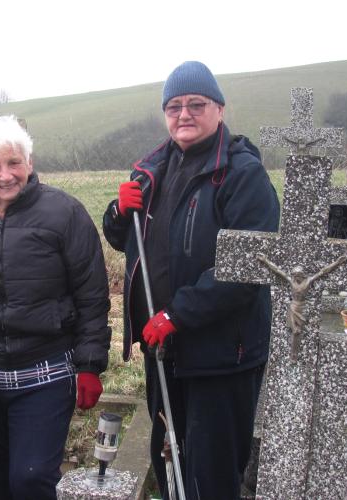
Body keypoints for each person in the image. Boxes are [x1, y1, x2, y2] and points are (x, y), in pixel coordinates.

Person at [103, 61, 280, 499]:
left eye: (196, 104)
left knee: (211, 475)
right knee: (169, 458)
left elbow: (248, 269)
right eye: (174, 106)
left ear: (219, 109)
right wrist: (117, 213)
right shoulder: (152, 169)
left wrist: (176, 312)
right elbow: (128, 241)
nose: (184, 114)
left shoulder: (242, 174)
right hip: (163, 349)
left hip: (221, 355)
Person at [0, 115, 111, 500]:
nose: (5, 175)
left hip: (43, 374)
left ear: (29, 162)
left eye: (14, 163)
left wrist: (90, 365)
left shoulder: (65, 214)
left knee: (30, 480)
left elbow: (92, 296)